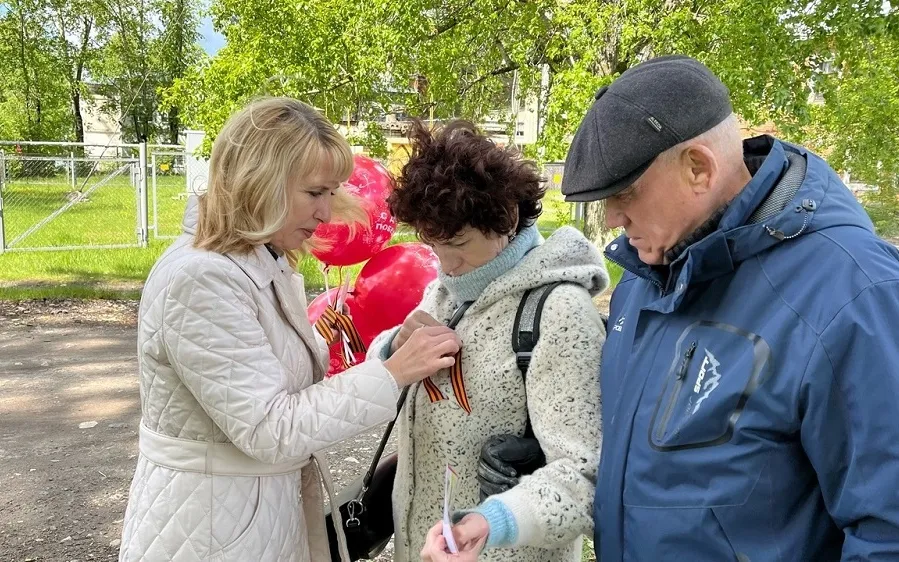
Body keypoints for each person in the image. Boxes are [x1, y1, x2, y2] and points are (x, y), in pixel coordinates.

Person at [561, 55, 899, 560]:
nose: (611, 218)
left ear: (698, 167)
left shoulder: (854, 292)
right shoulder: (645, 276)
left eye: (625, 192)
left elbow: (887, 530)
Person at [118, 97, 461, 562]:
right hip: (212, 528)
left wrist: (387, 353)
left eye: (331, 192)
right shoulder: (201, 279)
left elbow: (290, 390)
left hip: (243, 513)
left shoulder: (262, 265)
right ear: (260, 183)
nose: (326, 212)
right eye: (315, 192)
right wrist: (394, 374)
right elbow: (269, 427)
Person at [369, 120, 608, 562]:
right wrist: (392, 348)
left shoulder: (559, 311)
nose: (445, 263)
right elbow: (388, 376)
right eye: (432, 243)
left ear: (507, 220)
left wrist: (493, 522)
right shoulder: (445, 291)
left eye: (457, 243)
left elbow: (586, 473)